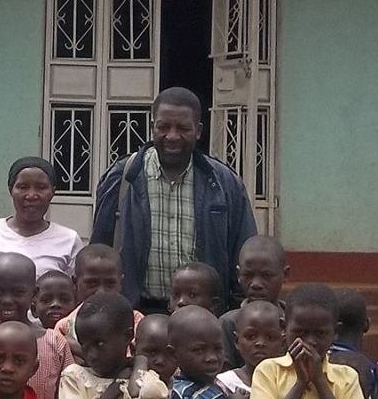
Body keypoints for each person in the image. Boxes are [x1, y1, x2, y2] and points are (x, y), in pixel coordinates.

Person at [92, 86, 258, 310]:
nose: (172, 136)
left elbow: (244, 254)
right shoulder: (122, 178)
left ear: (198, 131)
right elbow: (99, 251)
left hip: (202, 315)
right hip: (136, 312)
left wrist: (237, 311)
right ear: (153, 127)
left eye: (183, 128)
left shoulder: (224, 183)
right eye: (163, 127)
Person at [0, 252, 69, 399]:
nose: (7, 300)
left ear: (34, 294)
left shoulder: (55, 343)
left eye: (18, 292)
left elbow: (67, 397)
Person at [0, 156, 85, 280]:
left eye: (41, 187)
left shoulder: (69, 239)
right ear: (11, 190)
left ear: (52, 192)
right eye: (23, 187)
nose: (31, 195)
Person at [220, 236, 289, 368]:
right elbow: (223, 374)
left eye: (266, 275)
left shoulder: (292, 322)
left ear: (285, 274)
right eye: (248, 275)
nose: (256, 284)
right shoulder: (228, 323)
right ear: (238, 275)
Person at [35, 270, 76, 334]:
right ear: (34, 309)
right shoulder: (29, 338)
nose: (55, 304)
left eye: (64, 300)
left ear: (76, 306)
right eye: (46, 300)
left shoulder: (83, 337)